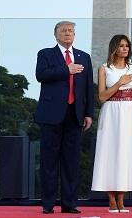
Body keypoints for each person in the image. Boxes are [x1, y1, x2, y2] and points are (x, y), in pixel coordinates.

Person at [35, 21, 94, 214]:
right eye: (64, 31)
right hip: (51, 115)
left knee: (71, 162)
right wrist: (66, 70)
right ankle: (48, 204)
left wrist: (88, 114)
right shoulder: (45, 54)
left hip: (75, 115)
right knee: (49, 161)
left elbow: (87, 89)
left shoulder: (84, 57)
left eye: (71, 31)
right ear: (56, 35)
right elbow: (41, 75)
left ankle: (69, 204)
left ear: (75, 35)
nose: (68, 33)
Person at [91, 34, 132, 213]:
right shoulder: (104, 68)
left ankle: (122, 199)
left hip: (130, 112)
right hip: (111, 111)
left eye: (127, 46)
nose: (125, 49)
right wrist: (119, 83)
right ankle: (111, 199)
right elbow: (101, 97)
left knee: (125, 153)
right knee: (110, 152)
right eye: (121, 46)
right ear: (114, 47)